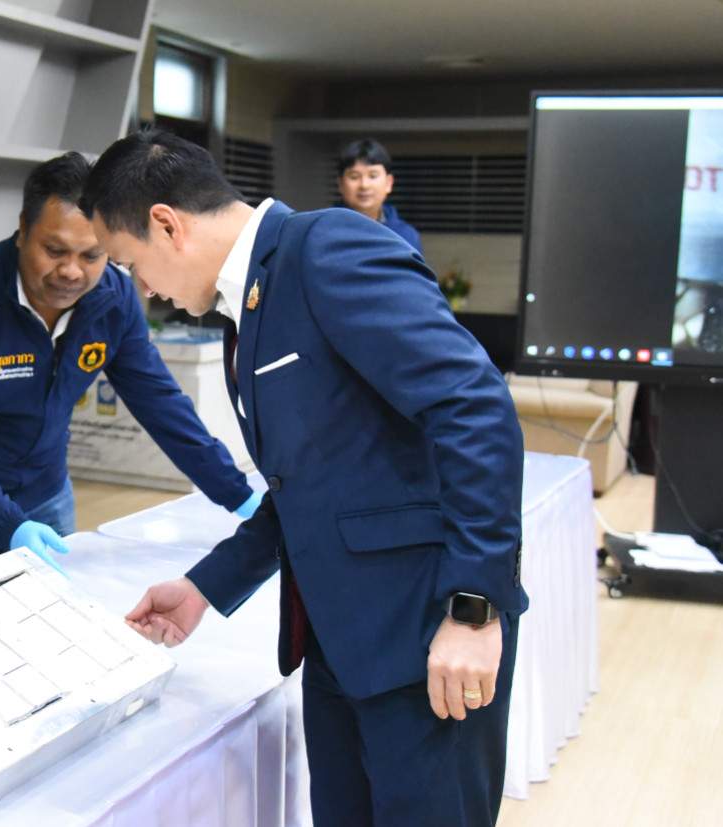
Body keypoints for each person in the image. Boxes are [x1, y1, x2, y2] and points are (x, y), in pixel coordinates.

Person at [80, 129, 527, 827]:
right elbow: (310, 480)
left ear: (167, 225)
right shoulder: (247, 306)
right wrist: (205, 587)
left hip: (423, 634)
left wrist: (474, 609)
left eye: (131, 264)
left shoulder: (328, 249)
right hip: (339, 644)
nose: (143, 288)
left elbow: (475, 408)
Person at [0, 151, 258, 567]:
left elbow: (159, 402)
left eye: (91, 256)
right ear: (23, 229)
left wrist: (238, 493)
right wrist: (6, 524)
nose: (71, 271)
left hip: (46, 489)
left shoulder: (113, 300)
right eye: (55, 250)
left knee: (59, 599)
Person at [336, 137, 423, 254]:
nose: (364, 185)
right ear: (340, 184)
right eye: (354, 177)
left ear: (389, 183)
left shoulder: (406, 236)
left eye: (373, 176)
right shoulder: (323, 231)